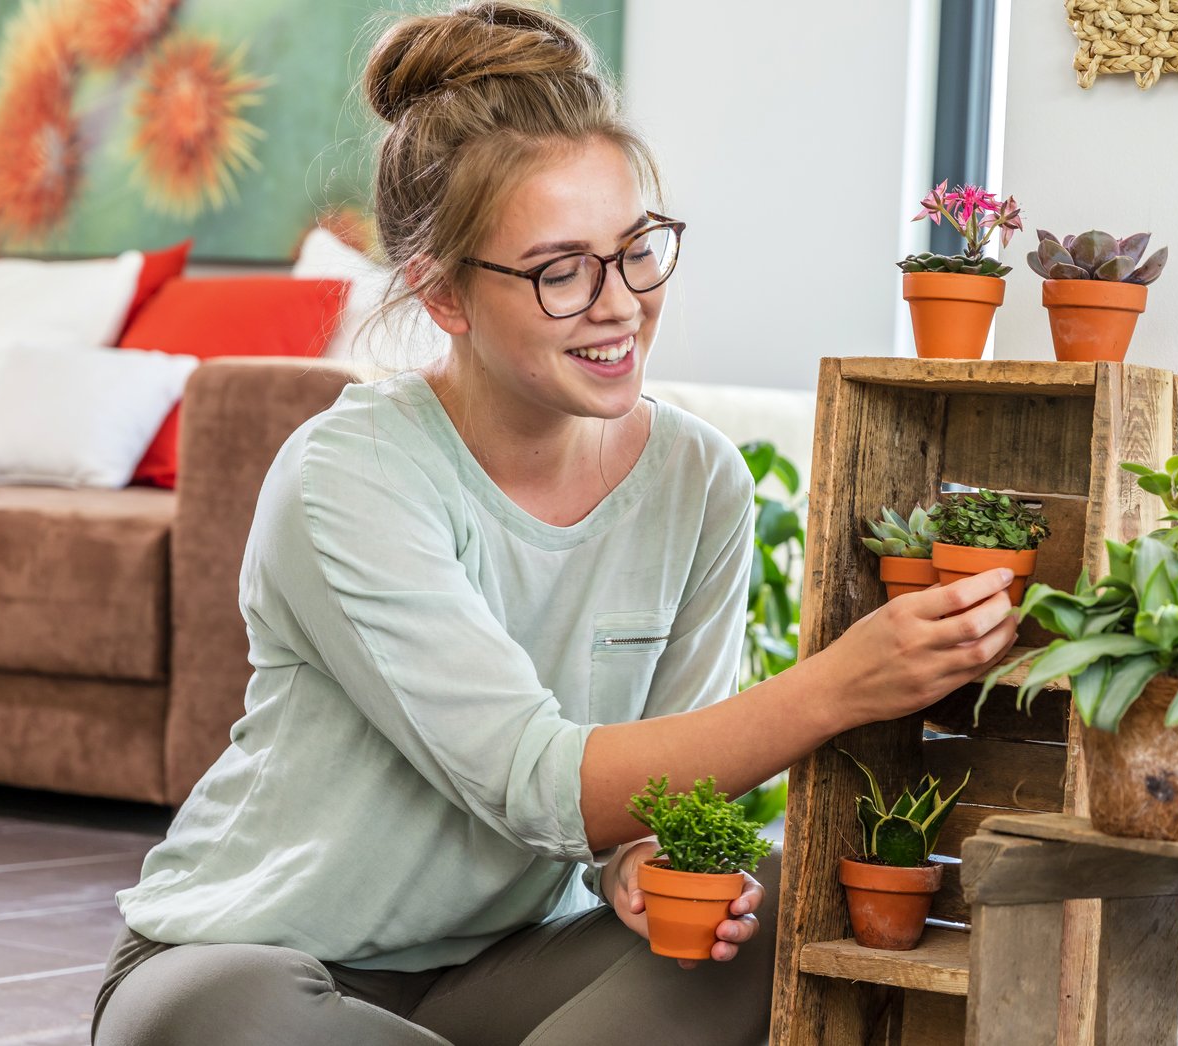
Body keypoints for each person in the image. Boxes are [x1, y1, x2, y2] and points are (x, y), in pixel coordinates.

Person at [87, 4, 1018, 1044]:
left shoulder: (696, 477)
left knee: (770, 907)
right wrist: (844, 683)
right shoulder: (348, 475)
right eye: (561, 269)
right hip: (258, 957)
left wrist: (640, 860)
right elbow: (536, 783)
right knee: (230, 1021)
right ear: (442, 294)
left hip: (512, 967)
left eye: (637, 249)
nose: (619, 303)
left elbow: (665, 796)